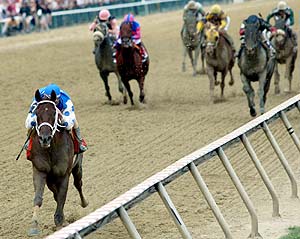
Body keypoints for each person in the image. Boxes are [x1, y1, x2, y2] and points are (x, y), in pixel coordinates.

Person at [25, 83, 88, 153]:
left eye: (53, 100)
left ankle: (79, 140)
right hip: (43, 109)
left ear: (58, 98)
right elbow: (28, 121)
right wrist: (34, 119)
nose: (50, 102)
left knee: (74, 122)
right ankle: (28, 140)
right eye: (47, 99)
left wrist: (61, 117)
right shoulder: (38, 99)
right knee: (30, 124)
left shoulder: (66, 101)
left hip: (61, 111)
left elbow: (68, 125)